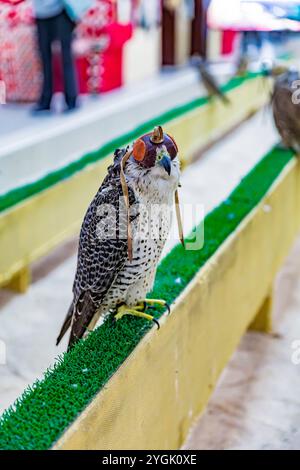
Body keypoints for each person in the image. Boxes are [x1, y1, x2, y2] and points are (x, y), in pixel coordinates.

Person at [32, 0, 78, 112]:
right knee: (45, 58)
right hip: (41, 13)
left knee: (66, 57)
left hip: (62, 11)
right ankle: (45, 100)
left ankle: (71, 99)